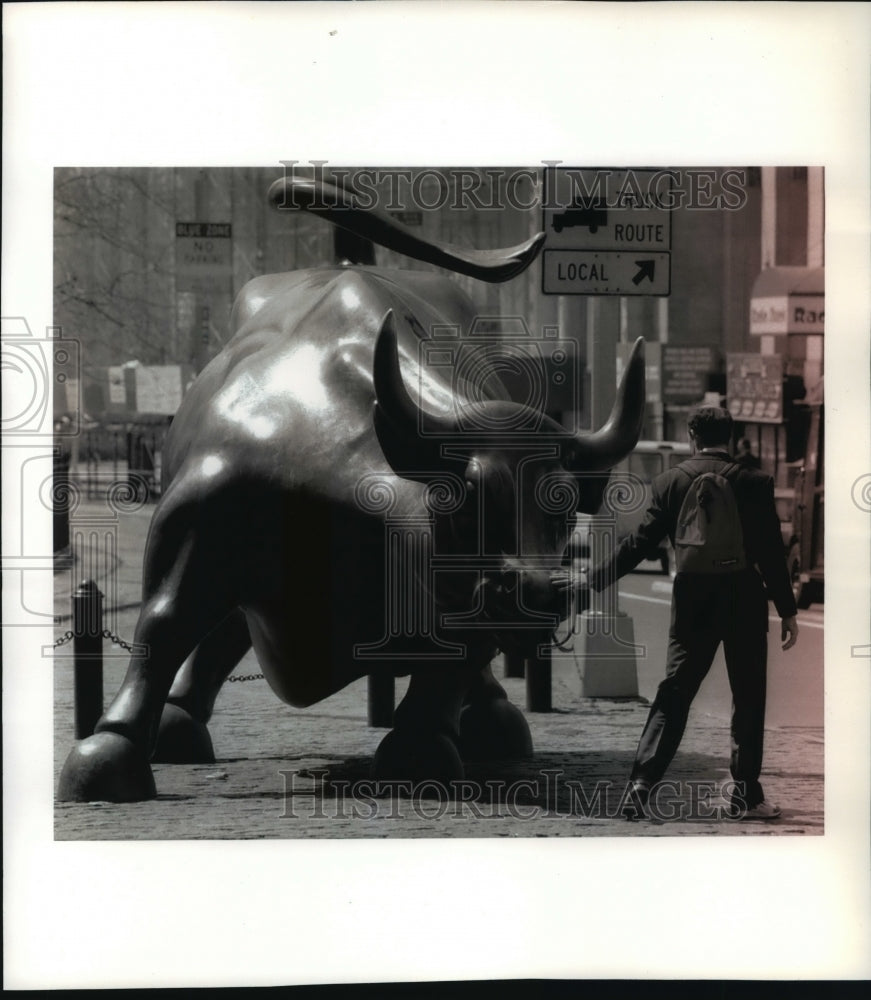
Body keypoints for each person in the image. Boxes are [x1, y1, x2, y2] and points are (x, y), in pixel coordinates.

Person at [587, 406, 799, 821]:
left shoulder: (669, 482)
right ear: (731, 437)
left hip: (692, 597)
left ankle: (641, 784)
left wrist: (594, 580)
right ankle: (747, 796)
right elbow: (772, 552)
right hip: (743, 596)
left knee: (675, 691)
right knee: (748, 694)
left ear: (691, 435)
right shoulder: (755, 482)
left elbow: (639, 544)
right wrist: (787, 610)